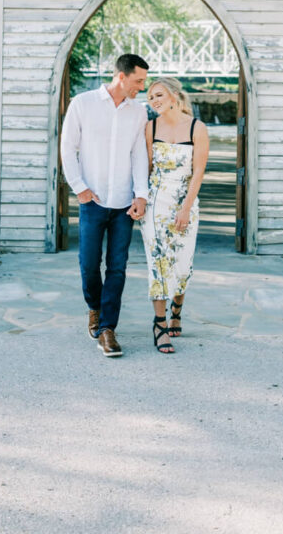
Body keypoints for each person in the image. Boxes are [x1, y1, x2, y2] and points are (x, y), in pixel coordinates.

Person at [60, 53, 149, 358]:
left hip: (124, 203)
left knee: (118, 267)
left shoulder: (139, 112)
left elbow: (139, 154)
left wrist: (141, 194)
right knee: (88, 264)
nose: (142, 87)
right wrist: (80, 188)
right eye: (138, 80)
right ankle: (94, 308)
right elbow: (67, 147)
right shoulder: (82, 104)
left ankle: (107, 329)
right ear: (121, 76)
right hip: (93, 200)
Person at [140, 77, 209, 354]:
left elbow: (198, 172)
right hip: (156, 204)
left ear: (173, 96)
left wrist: (185, 208)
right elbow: (145, 168)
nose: (154, 101)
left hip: (186, 202)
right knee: (158, 262)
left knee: (181, 262)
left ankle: (177, 310)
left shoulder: (197, 128)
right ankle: (160, 324)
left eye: (158, 95)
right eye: (150, 98)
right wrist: (141, 201)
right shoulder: (150, 127)